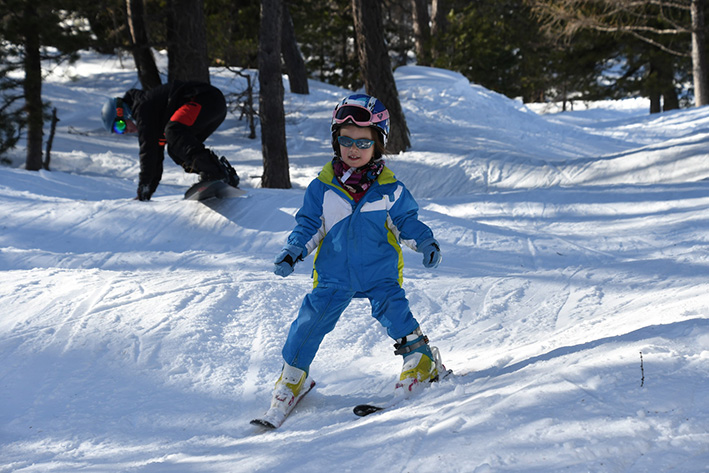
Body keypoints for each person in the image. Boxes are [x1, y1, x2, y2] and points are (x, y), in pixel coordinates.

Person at [268, 93, 444, 413]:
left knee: (393, 310)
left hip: (380, 271)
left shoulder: (391, 190)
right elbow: (309, 225)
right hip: (334, 274)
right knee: (310, 321)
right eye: (346, 140)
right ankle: (293, 373)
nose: (353, 149)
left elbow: (406, 222)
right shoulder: (322, 187)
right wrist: (294, 250)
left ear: (379, 144)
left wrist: (426, 243)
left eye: (363, 143)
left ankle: (421, 359)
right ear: (336, 142)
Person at [101, 81, 239, 201]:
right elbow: (155, 156)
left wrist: (143, 188)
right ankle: (224, 173)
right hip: (214, 105)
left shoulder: (143, 109)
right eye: (118, 131)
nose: (124, 131)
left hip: (205, 99)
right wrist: (147, 191)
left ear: (123, 112)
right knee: (175, 148)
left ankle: (213, 173)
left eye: (120, 126)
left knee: (173, 132)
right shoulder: (149, 114)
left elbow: (148, 151)